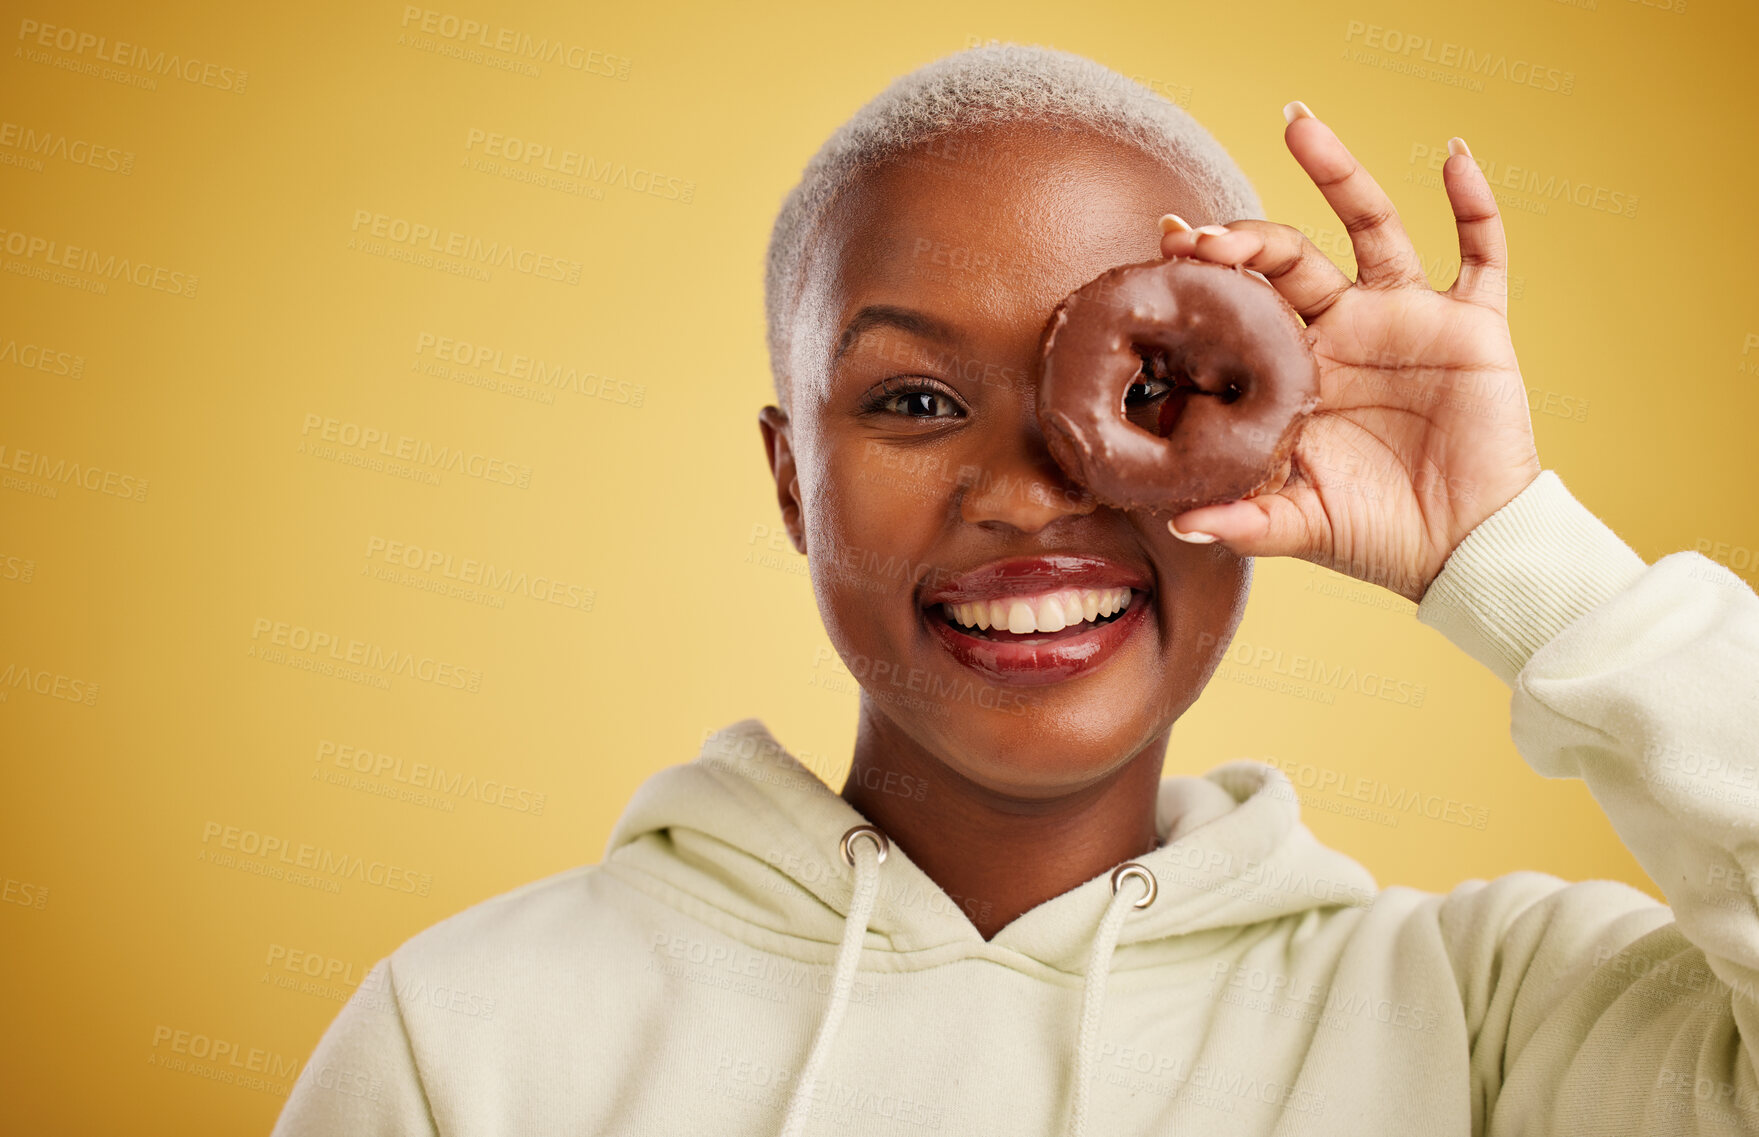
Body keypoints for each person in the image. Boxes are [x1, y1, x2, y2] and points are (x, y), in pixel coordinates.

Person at [270, 43, 1759, 1136]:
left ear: (1268, 421)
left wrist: (1507, 542)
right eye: (915, 404)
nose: (1034, 489)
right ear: (794, 481)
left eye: (1147, 386)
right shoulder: (466, 1039)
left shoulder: (1494, 1025)